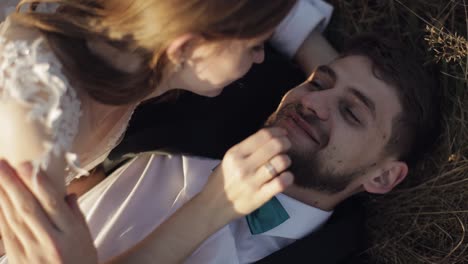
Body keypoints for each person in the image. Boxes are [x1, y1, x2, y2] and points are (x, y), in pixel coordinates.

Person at [0, 34, 441, 263]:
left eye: (352, 112)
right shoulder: (230, 90)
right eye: (319, 82)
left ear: (382, 176)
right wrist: (314, 48)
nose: (313, 102)